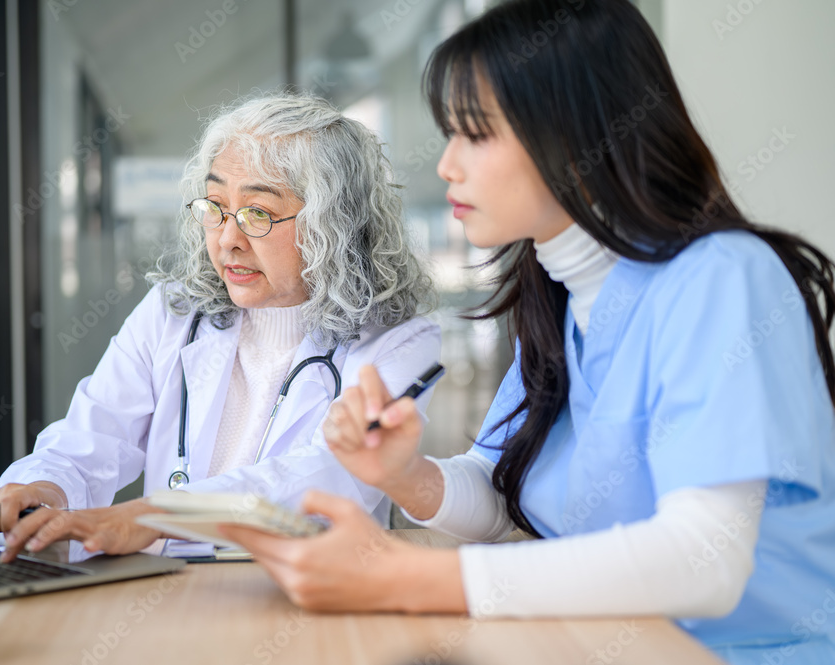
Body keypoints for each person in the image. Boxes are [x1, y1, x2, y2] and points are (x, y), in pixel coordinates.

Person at [220, 2, 835, 664]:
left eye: (475, 135)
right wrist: (408, 475)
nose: (446, 166)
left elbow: (705, 560)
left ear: (577, 135)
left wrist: (414, 578)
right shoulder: (565, 299)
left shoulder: (721, 279)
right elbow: (504, 494)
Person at [0, 93, 440, 562]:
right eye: (215, 207)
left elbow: (327, 475)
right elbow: (92, 434)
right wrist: (43, 486)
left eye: (258, 213)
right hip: (166, 597)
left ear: (335, 223)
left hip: (302, 605)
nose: (227, 239)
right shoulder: (172, 313)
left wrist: (154, 516)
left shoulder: (400, 340)